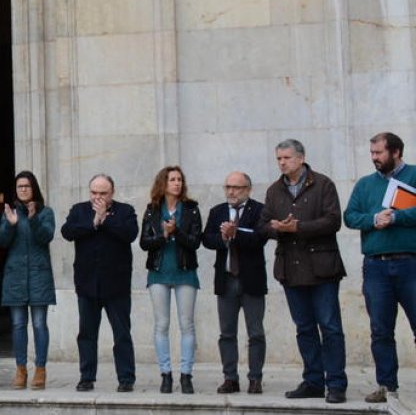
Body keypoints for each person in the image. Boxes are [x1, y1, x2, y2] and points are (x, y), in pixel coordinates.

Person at [259, 139, 347, 404]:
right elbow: (263, 225)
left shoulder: (323, 184)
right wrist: (276, 227)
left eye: (286, 157)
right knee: (304, 328)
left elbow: (333, 221)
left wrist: (298, 227)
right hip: (291, 269)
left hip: (322, 269)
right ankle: (313, 381)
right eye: (279, 158)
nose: (282, 162)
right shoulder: (275, 190)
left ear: (301, 158)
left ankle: (336, 383)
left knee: (330, 327)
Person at [344, 132, 416, 404]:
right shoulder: (364, 185)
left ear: (396, 152)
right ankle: (387, 385)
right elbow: (350, 216)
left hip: (410, 263)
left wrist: (397, 216)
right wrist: (373, 219)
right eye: (372, 153)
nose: (374, 158)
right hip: (376, 267)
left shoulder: (414, 175)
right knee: (380, 330)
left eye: (379, 153)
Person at [61, 173, 137, 392]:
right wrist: (93, 222)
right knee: (86, 333)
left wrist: (106, 219)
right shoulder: (79, 210)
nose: (98, 197)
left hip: (117, 285)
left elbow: (130, 234)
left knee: (122, 333)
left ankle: (126, 378)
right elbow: (67, 232)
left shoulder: (125, 211)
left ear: (112, 192)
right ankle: (87, 377)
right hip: (87, 283)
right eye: (94, 192)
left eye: (103, 193)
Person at [201, 171, 267, 395]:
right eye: (228, 186)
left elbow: (260, 238)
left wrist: (235, 233)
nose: (231, 191)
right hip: (226, 279)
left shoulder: (259, 210)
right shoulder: (217, 211)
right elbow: (207, 239)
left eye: (236, 187)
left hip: (252, 280)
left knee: (255, 332)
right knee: (227, 333)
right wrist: (222, 237)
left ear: (248, 189)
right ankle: (230, 378)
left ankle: (255, 378)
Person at [139, 166, 203, 394]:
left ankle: (186, 375)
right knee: (162, 324)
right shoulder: (152, 210)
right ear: (163, 183)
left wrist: (176, 231)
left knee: (187, 324)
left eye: (179, 179)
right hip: (159, 272)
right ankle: (165, 374)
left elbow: (196, 242)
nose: (176, 183)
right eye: (172, 179)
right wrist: (164, 235)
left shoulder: (192, 209)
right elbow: (144, 243)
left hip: (185, 272)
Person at [0, 170, 55, 390]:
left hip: (39, 275)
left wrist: (33, 220)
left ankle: (40, 369)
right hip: (15, 277)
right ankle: (20, 370)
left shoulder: (45, 212)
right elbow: (1, 241)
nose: (23, 190)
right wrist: (10, 224)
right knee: (18, 324)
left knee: (40, 324)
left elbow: (46, 237)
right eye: (20, 186)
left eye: (27, 186)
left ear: (34, 189)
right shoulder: (9, 212)